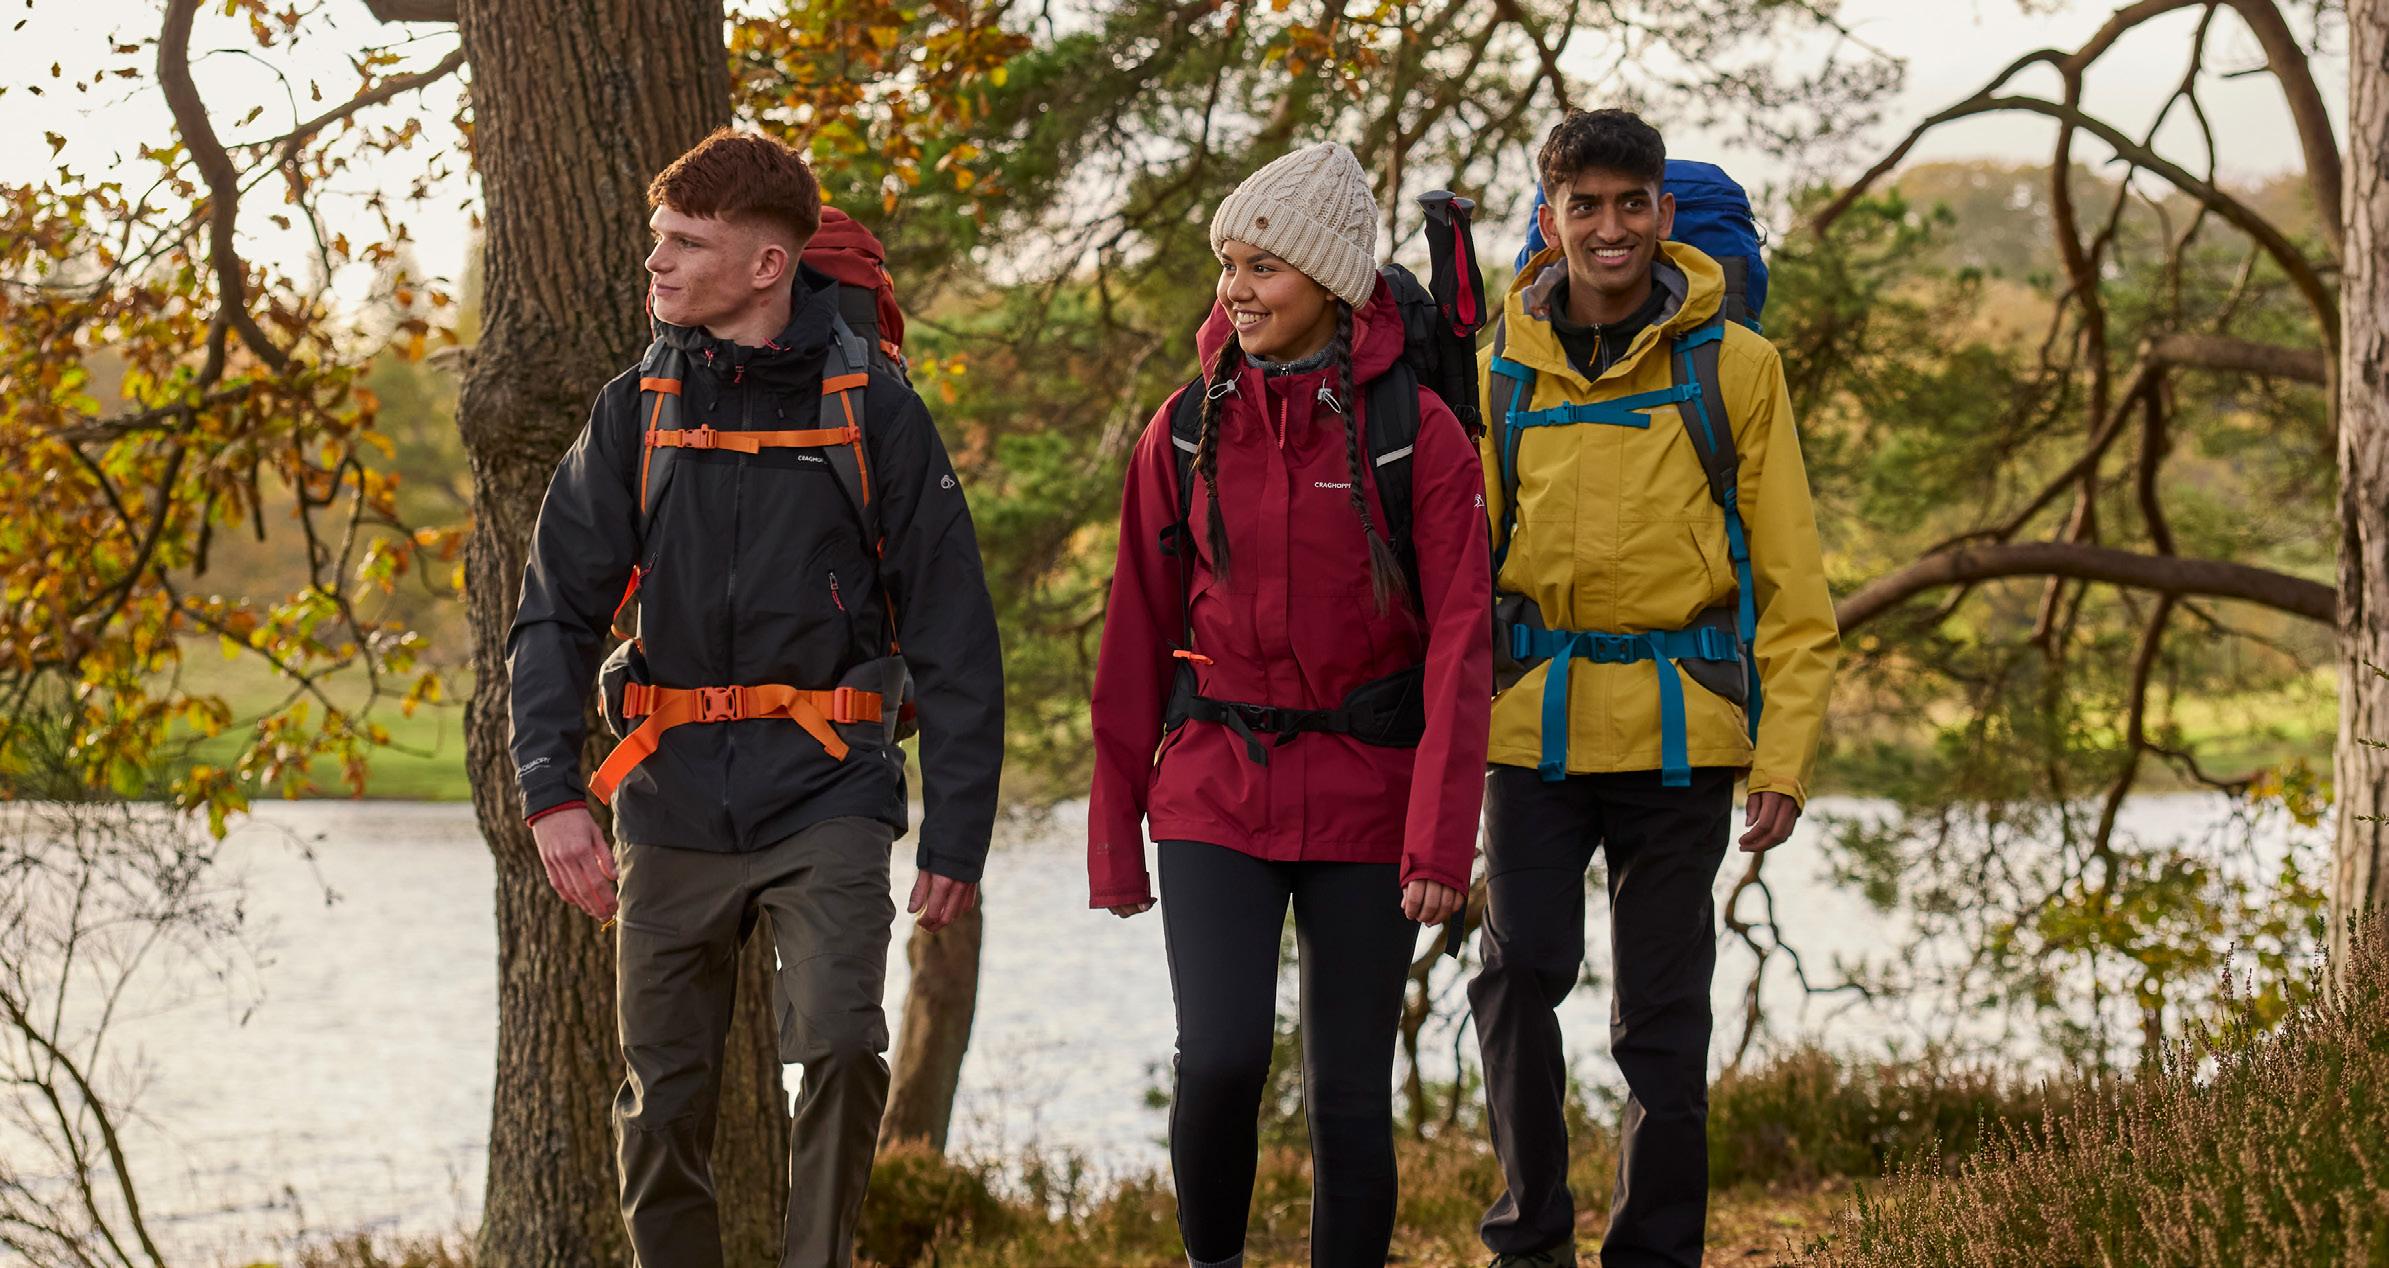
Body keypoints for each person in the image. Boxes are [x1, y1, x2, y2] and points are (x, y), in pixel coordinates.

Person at [504, 128, 1004, 1268]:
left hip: (829, 787)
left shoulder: (876, 409)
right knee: (662, 1098)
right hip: (670, 794)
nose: (657, 264)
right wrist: (551, 791)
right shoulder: (635, 407)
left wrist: (958, 834)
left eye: (687, 243)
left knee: (840, 1046)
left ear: (768, 265)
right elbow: (553, 610)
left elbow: (955, 636)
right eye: (658, 240)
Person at [1085, 141, 1492, 1268]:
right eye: (1228, 265)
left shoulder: (1420, 434)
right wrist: (1114, 835)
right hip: (1214, 788)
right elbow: (1133, 637)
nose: (1236, 289)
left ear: (1329, 279)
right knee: (1219, 1059)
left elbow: (1462, 647)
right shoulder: (1184, 426)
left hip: (1370, 797)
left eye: (1263, 266)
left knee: (1348, 1092)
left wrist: (1440, 840)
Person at [1469, 109, 1841, 1268]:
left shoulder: (1737, 368)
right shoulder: (1500, 370)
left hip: (1685, 732)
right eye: (1584, 204)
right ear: (1550, 219)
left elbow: (1792, 579)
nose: (1610, 227)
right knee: (1517, 972)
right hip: (1531, 728)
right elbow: (1462, 575)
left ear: (1663, 213)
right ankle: (1530, 1240)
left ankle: (1655, 1254)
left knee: (1662, 1017)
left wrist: (1783, 757)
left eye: (1631, 203)